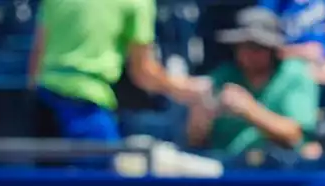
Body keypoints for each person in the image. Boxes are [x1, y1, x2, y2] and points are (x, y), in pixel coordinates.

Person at [27, 0, 206, 142]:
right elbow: (143, 72)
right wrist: (186, 88)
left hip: (43, 102)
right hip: (87, 107)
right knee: (105, 185)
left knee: (44, 185)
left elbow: (37, 55)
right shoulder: (137, 2)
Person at [186, 8, 321, 159]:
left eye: (256, 47)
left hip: (278, 169)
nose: (247, 54)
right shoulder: (223, 76)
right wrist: (199, 120)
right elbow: (195, 141)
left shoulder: (293, 74)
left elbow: (294, 135)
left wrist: (249, 109)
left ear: (272, 49)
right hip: (225, 168)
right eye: (242, 46)